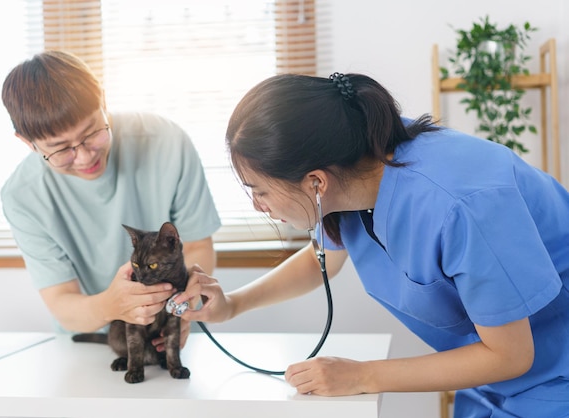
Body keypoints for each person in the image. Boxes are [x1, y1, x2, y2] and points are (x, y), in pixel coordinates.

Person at [175, 72, 569, 417]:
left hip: (555, 379)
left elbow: (511, 354)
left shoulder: (459, 204)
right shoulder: (354, 161)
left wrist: (362, 375)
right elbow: (321, 261)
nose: (258, 206)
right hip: (490, 384)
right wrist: (232, 304)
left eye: (259, 192)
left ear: (315, 182)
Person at [0, 50, 221, 350]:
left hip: (167, 335)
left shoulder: (167, 142)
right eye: (61, 149)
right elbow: (61, 300)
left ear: (103, 100)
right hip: (87, 345)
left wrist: (181, 307)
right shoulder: (23, 196)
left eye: (92, 133)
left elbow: (196, 246)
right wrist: (111, 306)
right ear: (27, 143)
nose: (85, 156)